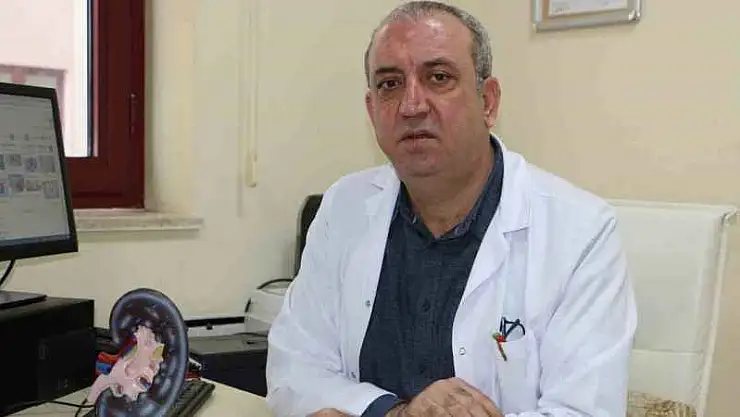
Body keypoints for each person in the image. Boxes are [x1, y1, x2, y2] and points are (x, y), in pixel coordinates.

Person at [265, 2, 637, 417]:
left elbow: (585, 411)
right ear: (372, 111)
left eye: (438, 77)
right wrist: (397, 413)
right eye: (390, 84)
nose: (411, 105)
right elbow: (292, 371)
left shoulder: (581, 232)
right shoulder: (344, 207)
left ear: (488, 102)